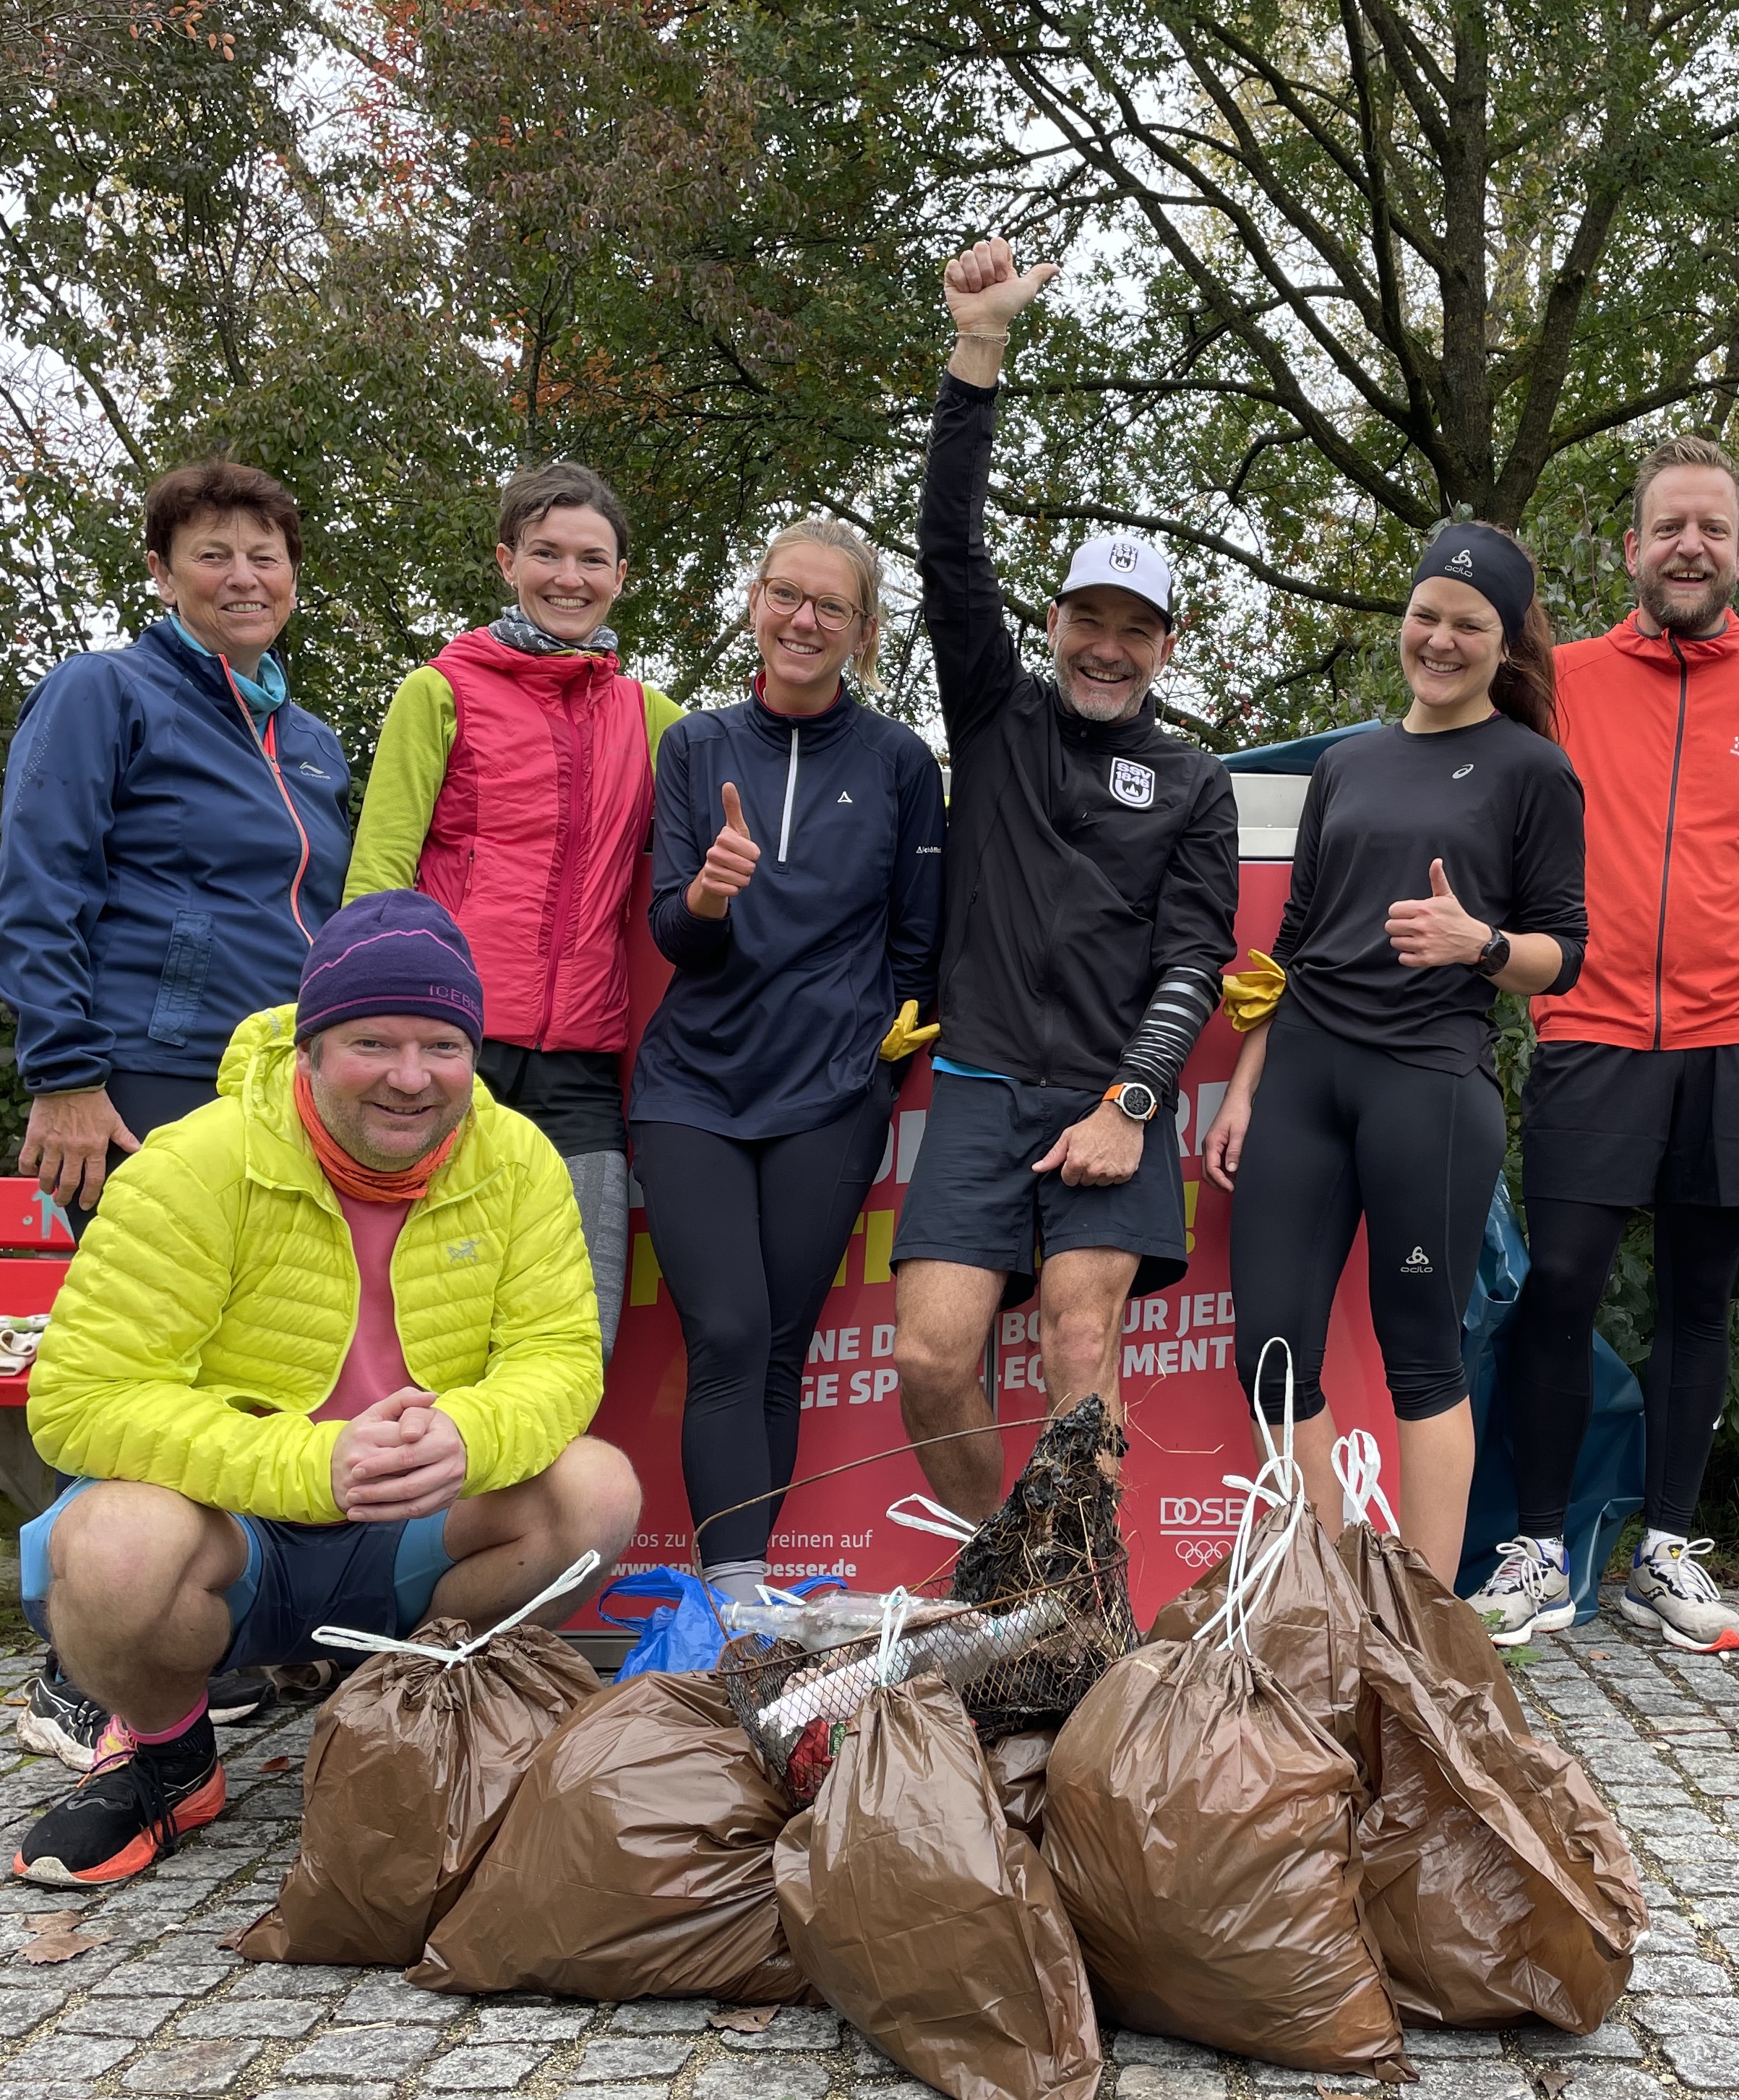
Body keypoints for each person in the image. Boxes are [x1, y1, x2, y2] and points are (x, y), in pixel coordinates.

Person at [11, 892, 637, 1887]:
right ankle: (169, 1758)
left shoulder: (518, 1158)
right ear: (307, 1048)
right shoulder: (194, 1163)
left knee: (597, 1490)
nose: (409, 1077)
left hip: (412, 1522)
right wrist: (311, 1460)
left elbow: (559, 1360)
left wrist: (469, 1435)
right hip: (239, 1525)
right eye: (372, 1043)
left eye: (442, 1045)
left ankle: (394, 1714)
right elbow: (81, 1399)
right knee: (112, 1550)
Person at [1471, 434, 1739, 1649]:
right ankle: (1542, 1547)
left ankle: (1666, 1548)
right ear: (1632, 549)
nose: (1690, 546)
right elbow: (1456, 753)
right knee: (1557, 1290)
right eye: (1669, 527)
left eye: (1711, 528)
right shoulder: (1561, 678)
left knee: (1699, 1302)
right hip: (1591, 1029)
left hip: (1736, 1037)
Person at [0, 457, 351, 1768]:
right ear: (162, 571)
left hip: (273, 1088)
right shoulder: (108, 691)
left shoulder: (304, 737)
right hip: (138, 1074)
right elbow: (40, 884)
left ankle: (214, 1638)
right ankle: (81, 1668)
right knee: (143, 1367)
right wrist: (64, 1070)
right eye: (213, 553)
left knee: (252, 1363)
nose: (244, 575)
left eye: (265, 554)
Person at [893, 238, 1240, 1521]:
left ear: (1164, 642)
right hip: (981, 1084)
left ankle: (1077, 1612)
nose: (1106, 646)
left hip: (1112, 1096)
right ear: (1053, 624)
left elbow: (1196, 956)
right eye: (1087, 620)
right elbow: (946, 551)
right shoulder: (995, 711)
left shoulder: (1194, 781)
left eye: (1133, 628)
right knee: (931, 1356)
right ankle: (1003, 1574)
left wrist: (1132, 1100)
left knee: (1078, 1353)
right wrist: (977, 347)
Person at [1204, 526, 1587, 1585]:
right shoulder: (1348, 762)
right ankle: (1319, 1599)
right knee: (1271, 1359)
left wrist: (1483, 944)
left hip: (1427, 1086)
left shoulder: (1533, 772)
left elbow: (1568, 954)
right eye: (1428, 615)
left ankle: (1422, 1629)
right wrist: (1245, 1085)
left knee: (1422, 1360)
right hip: (1305, 1081)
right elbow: (1291, 942)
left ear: (1505, 645)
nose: (1442, 638)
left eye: (1471, 625)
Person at [633, 518, 943, 1603]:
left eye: (831, 607)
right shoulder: (697, 747)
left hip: (830, 1095)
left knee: (779, 1345)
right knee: (727, 1330)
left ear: (864, 632)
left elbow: (919, 946)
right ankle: (729, 1603)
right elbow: (676, 933)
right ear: (756, 604)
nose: (803, 620)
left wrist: (873, 1072)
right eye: (785, 595)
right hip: (692, 1090)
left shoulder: (902, 762)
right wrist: (711, 893)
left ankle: (748, 1602)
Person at [345, 462, 682, 1354]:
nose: (569, 577)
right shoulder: (438, 692)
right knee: (422, 1327)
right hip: (448, 1055)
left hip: (582, 1066)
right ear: (507, 561)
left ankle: (536, 1496)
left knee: (579, 1331)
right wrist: (365, 1038)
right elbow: (378, 877)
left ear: (621, 577)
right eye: (546, 553)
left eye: (592, 559)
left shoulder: (652, 718)